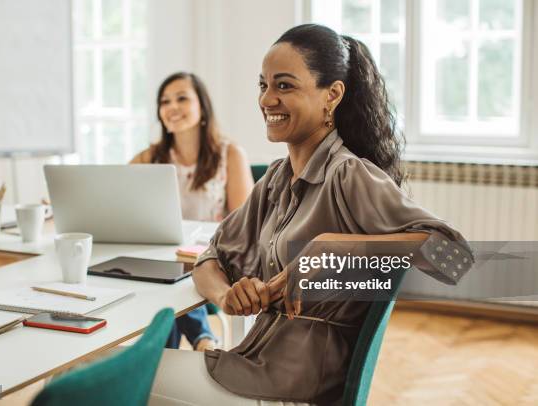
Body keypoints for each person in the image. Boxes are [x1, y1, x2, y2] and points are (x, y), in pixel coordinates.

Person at [150, 24, 474, 405]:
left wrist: (333, 249)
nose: (267, 99)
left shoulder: (348, 175)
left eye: (284, 86)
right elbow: (210, 258)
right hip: (256, 362)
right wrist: (227, 295)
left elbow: (456, 258)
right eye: (263, 85)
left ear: (332, 95)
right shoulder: (275, 179)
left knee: (123, 380)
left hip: (294, 388)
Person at [131, 72, 254, 351]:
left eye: (182, 98)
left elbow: (245, 229)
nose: (172, 107)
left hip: (214, 260)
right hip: (165, 258)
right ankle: (202, 342)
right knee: (168, 274)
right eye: (165, 101)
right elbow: (110, 192)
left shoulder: (230, 154)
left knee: (176, 277)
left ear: (202, 108)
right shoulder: (150, 157)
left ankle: (167, 353)